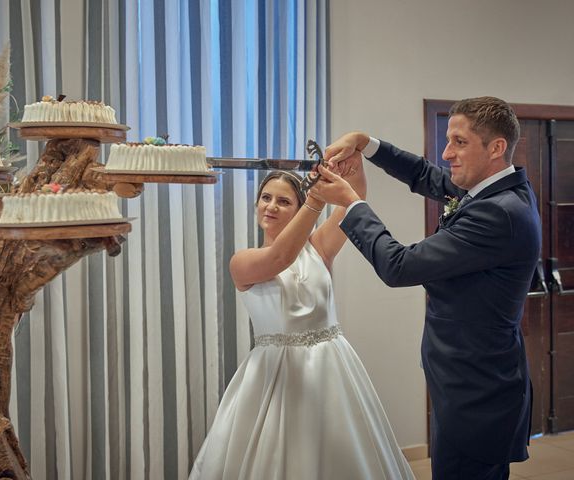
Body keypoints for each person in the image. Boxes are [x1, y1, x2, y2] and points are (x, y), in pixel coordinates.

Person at [310, 96, 541, 480]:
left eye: (460, 142)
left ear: (497, 148)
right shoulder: (491, 190)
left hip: (479, 395)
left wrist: (351, 205)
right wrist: (366, 144)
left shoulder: (498, 212)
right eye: (448, 140)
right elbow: (426, 175)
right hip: (466, 383)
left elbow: (398, 266)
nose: (447, 152)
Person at [189, 170, 414, 479]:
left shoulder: (319, 247)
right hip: (276, 376)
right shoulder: (242, 261)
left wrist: (353, 158)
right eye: (265, 198)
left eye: (283, 201)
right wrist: (315, 201)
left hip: (331, 367)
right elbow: (280, 257)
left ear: (297, 211)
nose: (270, 207)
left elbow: (355, 197)